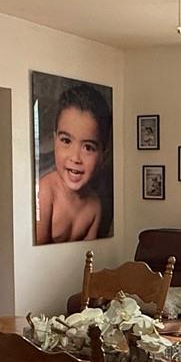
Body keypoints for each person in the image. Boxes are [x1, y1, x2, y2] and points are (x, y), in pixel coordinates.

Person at [34, 83, 110, 243]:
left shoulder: (95, 206)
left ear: (103, 155)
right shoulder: (45, 192)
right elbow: (35, 253)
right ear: (55, 140)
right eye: (66, 141)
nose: (75, 158)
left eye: (88, 147)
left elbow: (91, 255)